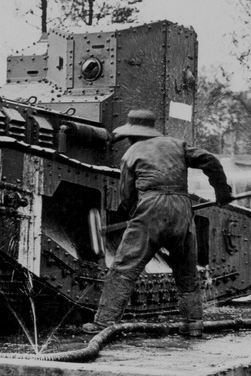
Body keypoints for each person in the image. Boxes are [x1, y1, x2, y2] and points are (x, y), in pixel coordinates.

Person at [81, 109, 233, 336]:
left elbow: (126, 195)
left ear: (133, 134)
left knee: (124, 267)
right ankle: (193, 323)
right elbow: (210, 160)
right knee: (186, 269)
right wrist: (222, 192)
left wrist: (134, 214)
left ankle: (104, 323)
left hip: (151, 207)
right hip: (183, 208)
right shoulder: (177, 145)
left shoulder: (131, 153)